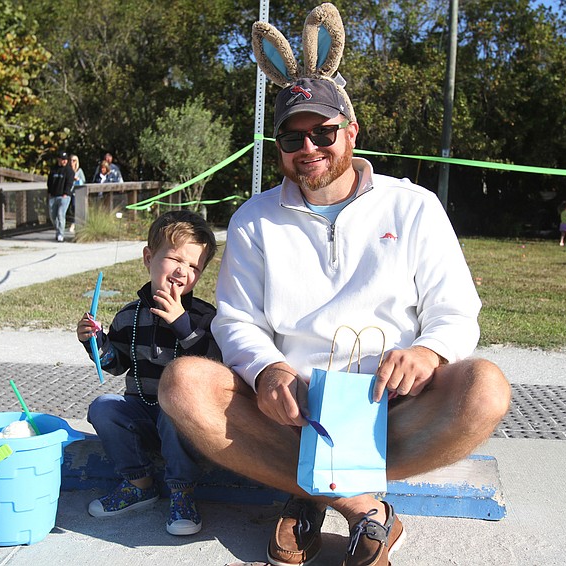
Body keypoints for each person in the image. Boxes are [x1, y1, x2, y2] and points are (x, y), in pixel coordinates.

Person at [158, 78, 510, 566]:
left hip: (391, 409)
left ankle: (305, 492)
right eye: (292, 138)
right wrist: (268, 371)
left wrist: (428, 354)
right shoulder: (253, 220)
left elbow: (456, 310)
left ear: (351, 132)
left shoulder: (412, 206)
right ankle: (361, 507)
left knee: (486, 388)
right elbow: (236, 321)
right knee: (182, 384)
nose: (308, 148)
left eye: (323, 133)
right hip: (294, 415)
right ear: (278, 147)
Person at [76, 210, 219, 536]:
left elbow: (213, 367)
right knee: (103, 406)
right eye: (175, 259)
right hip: (141, 410)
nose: (183, 272)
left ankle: (182, 490)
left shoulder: (203, 316)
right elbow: (116, 364)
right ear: (149, 257)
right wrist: (95, 342)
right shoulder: (130, 315)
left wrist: (182, 325)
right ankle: (139, 483)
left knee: (173, 408)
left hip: (184, 421)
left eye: (195, 267)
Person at [46, 150, 73, 242]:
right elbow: (49, 181)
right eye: (62, 159)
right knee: (53, 216)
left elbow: (69, 183)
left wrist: (66, 193)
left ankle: (61, 234)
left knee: (60, 214)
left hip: (64, 196)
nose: (64, 161)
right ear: (58, 159)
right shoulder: (53, 169)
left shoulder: (69, 170)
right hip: (53, 195)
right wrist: (49, 192)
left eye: (66, 159)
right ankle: (58, 230)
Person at [67, 154, 85, 233]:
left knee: (75, 207)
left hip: (76, 193)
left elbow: (83, 181)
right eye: (70, 160)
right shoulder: (67, 170)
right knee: (68, 208)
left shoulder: (79, 171)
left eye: (74, 161)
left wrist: (77, 179)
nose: (72, 162)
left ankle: (74, 224)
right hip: (67, 191)